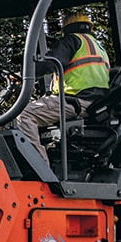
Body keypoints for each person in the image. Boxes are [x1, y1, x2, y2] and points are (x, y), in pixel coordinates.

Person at [15, 11, 111, 165]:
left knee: (24, 114)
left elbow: (50, 63)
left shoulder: (72, 41)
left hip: (76, 101)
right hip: (93, 102)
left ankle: (39, 168)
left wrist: (22, 74)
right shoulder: (98, 46)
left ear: (66, 28)